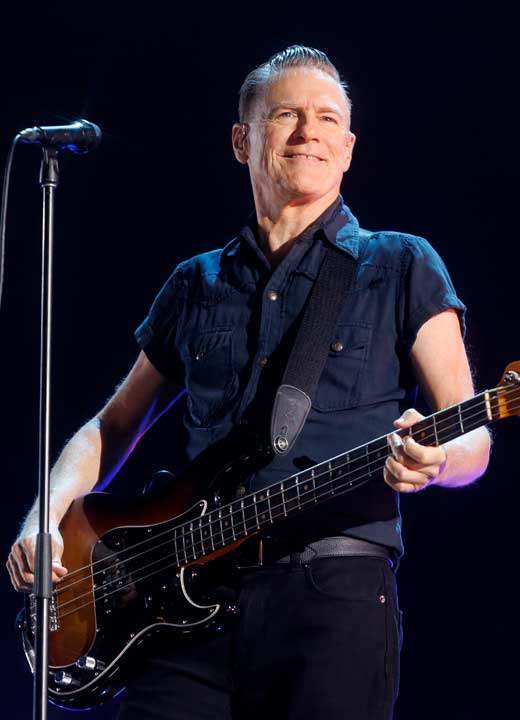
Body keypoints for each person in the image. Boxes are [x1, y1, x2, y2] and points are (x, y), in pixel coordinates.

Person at [5, 46, 491, 719]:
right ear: (242, 140)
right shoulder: (196, 282)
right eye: (287, 114)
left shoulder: (401, 264)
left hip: (333, 598)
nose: (308, 132)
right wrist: (47, 517)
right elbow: (112, 427)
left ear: (347, 149)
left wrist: (440, 461)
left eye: (326, 119)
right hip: (183, 607)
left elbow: (471, 431)